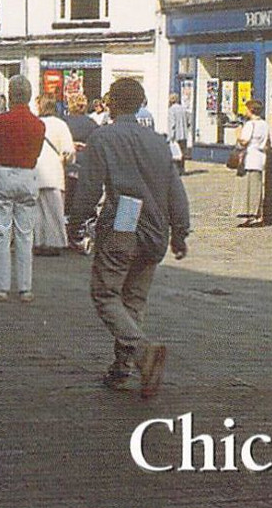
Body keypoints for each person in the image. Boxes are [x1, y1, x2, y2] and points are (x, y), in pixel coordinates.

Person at [67, 77, 191, 398]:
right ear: (141, 103)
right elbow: (176, 191)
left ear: (109, 103)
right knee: (133, 299)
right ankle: (122, 368)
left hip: (125, 216)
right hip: (155, 224)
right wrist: (180, 232)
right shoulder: (157, 141)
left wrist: (76, 222)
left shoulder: (103, 138)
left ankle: (141, 351)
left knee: (105, 293)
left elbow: (90, 187)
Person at [0, 75, 44, 302]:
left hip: (3, 174)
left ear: (11, 94)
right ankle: (25, 287)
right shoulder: (39, 124)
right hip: (28, 176)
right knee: (26, 234)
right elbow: (36, 152)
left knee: (1, 231)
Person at [35, 94, 73, 256]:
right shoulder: (60, 125)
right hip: (54, 171)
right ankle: (55, 242)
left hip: (35, 170)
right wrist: (66, 161)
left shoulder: (35, 123)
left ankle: (38, 241)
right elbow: (68, 150)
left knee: (37, 209)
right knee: (55, 209)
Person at [232, 99, 271, 228]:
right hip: (260, 158)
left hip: (249, 158)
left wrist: (237, 134)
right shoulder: (264, 124)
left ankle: (253, 215)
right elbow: (268, 142)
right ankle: (256, 214)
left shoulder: (250, 125)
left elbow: (244, 142)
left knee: (247, 188)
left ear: (251, 110)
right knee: (256, 187)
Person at [166, 93, 192, 175]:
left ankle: (176, 170)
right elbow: (189, 121)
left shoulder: (171, 110)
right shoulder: (183, 109)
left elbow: (172, 124)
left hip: (176, 135)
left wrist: (170, 137)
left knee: (175, 153)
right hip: (184, 134)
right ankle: (182, 169)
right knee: (182, 152)